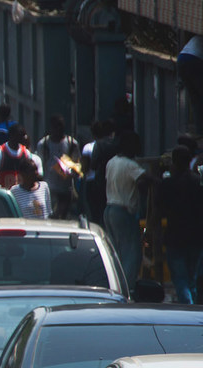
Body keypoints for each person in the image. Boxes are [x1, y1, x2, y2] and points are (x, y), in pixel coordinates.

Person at [154, 146, 203, 304]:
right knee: (191, 278)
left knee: (180, 279)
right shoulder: (198, 182)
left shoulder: (168, 184)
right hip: (196, 237)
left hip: (175, 237)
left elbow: (158, 211)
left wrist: (155, 233)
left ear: (174, 162)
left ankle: (187, 305)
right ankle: (193, 307)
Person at [105, 131, 152, 293]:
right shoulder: (130, 165)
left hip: (110, 210)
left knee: (117, 253)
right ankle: (126, 289)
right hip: (124, 212)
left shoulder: (112, 162)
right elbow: (146, 179)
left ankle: (115, 286)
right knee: (132, 253)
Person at [38, 115, 81, 218]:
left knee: (64, 217)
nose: (58, 129)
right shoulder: (43, 144)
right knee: (51, 216)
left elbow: (77, 166)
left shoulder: (72, 143)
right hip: (50, 189)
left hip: (66, 189)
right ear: (51, 128)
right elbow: (40, 165)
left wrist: (71, 172)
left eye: (60, 126)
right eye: (55, 126)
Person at [80, 119, 117, 224]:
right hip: (109, 182)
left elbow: (86, 167)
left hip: (93, 183)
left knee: (94, 214)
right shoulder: (112, 145)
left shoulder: (88, 147)